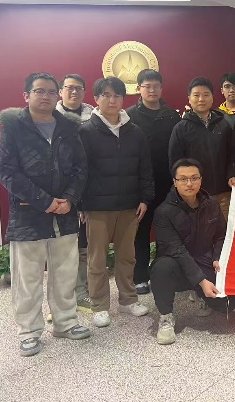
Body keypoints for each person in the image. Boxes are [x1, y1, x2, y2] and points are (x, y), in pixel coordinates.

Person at [0, 72, 91, 356]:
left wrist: (70, 199)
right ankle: (29, 331)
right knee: (27, 278)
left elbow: (81, 168)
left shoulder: (69, 128)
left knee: (65, 272)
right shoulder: (13, 128)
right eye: (39, 91)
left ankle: (65, 322)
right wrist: (44, 201)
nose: (46, 96)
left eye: (51, 91)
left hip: (65, 213)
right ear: (26, 96)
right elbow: (7, 171)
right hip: (28, 215)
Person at [79, 77, 155, 328]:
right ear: (96, 99)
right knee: (97, 259)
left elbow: (145, 168)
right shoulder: (86, 131)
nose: (112, 100)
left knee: (127, 256)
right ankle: (99, 305)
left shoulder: (135, 132)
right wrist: (81, 204)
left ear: (123, 99)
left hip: (129, 205)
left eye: (117, 96)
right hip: (98, 207)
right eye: (107, 95)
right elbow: (79, 170)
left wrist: (145, 198)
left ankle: (128, 299)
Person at [151, 158, 235, 345]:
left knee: (229, 304)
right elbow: (176, 250)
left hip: (204, 261)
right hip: (177, 266)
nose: (189, 183)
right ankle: (166, 317)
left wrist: (217, 258)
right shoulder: (163, 212)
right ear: (175, 182)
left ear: (201, 180)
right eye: (183, 179)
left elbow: (221, 235)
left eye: (194, 178)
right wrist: (201, 281)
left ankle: (201, 295)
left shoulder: (212, 204)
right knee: (161, 268)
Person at [126, 69, 181, 295]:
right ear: (139, 88)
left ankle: (164, 275)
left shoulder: (172, 116)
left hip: (168, 183)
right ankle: (140, 277)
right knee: (140, 231)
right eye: (147, 86)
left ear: (161, 88)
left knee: (167, 231)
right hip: (140, 184)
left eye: (156, 86)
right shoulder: (128, 116)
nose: (152, 90)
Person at [55, 74, 94, 314]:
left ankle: (81, 293)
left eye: (78, 88)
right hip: (59, 194)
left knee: (83, 248)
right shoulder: (51, 118)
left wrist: (83, 201)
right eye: (69, 88)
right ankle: (61, 300)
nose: (74, 92)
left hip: (87, 191)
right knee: (61, 250)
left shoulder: (94, 117)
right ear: (61, 91)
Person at [168, 77, 232, 220]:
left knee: (224, 230)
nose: (201, 99)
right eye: (196, 95)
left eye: (206, 95)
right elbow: (175, 162)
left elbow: (232, 154)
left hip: (224, 192)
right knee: (199, 231)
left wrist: (231, 175)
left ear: (212, 97)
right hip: (195, 193)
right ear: (189, 99)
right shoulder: (181, 128)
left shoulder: (223, 124)